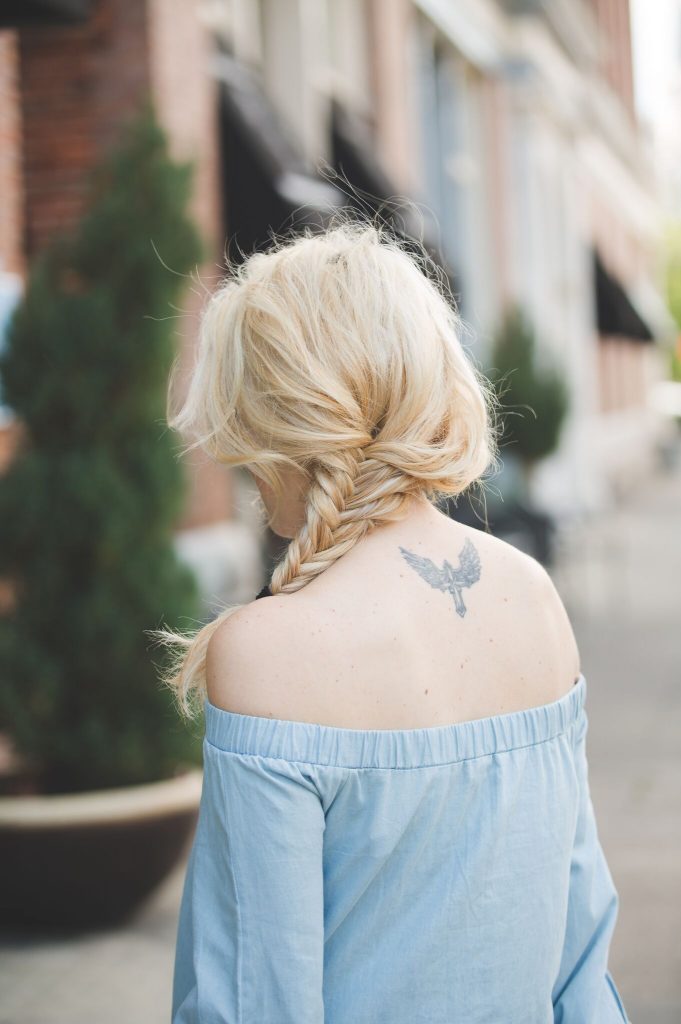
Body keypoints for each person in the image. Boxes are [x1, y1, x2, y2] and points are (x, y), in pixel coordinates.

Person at [154, 218, 630, 1023]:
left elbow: (255, 1003)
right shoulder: (532, 596)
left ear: (274, 418)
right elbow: (582, 967)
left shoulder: (265, 650)